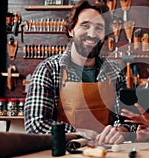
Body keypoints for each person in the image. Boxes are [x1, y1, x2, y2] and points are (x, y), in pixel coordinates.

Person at [24, 0, 134, 144]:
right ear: (71, 30)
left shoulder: (114, 71)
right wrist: (78, 133)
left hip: (106, 151)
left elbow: (127, 119)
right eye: (85, 25)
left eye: (99, 28)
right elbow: (35, 125)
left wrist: (122, 131)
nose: (92, 34)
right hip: (66, 151)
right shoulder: (49, 70)